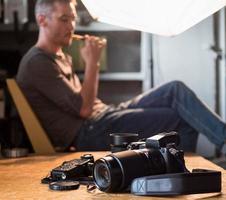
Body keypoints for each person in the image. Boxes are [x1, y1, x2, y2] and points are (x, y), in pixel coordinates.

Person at [17, 0, 226, 155]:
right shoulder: (38, 62)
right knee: (181, 118)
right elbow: (84, 109)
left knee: (175, 90)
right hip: (86, 132)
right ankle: (178, 174)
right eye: (64, 19)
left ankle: (222, 140)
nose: (71, 26)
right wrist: (93, 62)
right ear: (42, 20)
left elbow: (87, 106)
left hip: (103, 116)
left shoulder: (60, 55)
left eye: (73, 19)